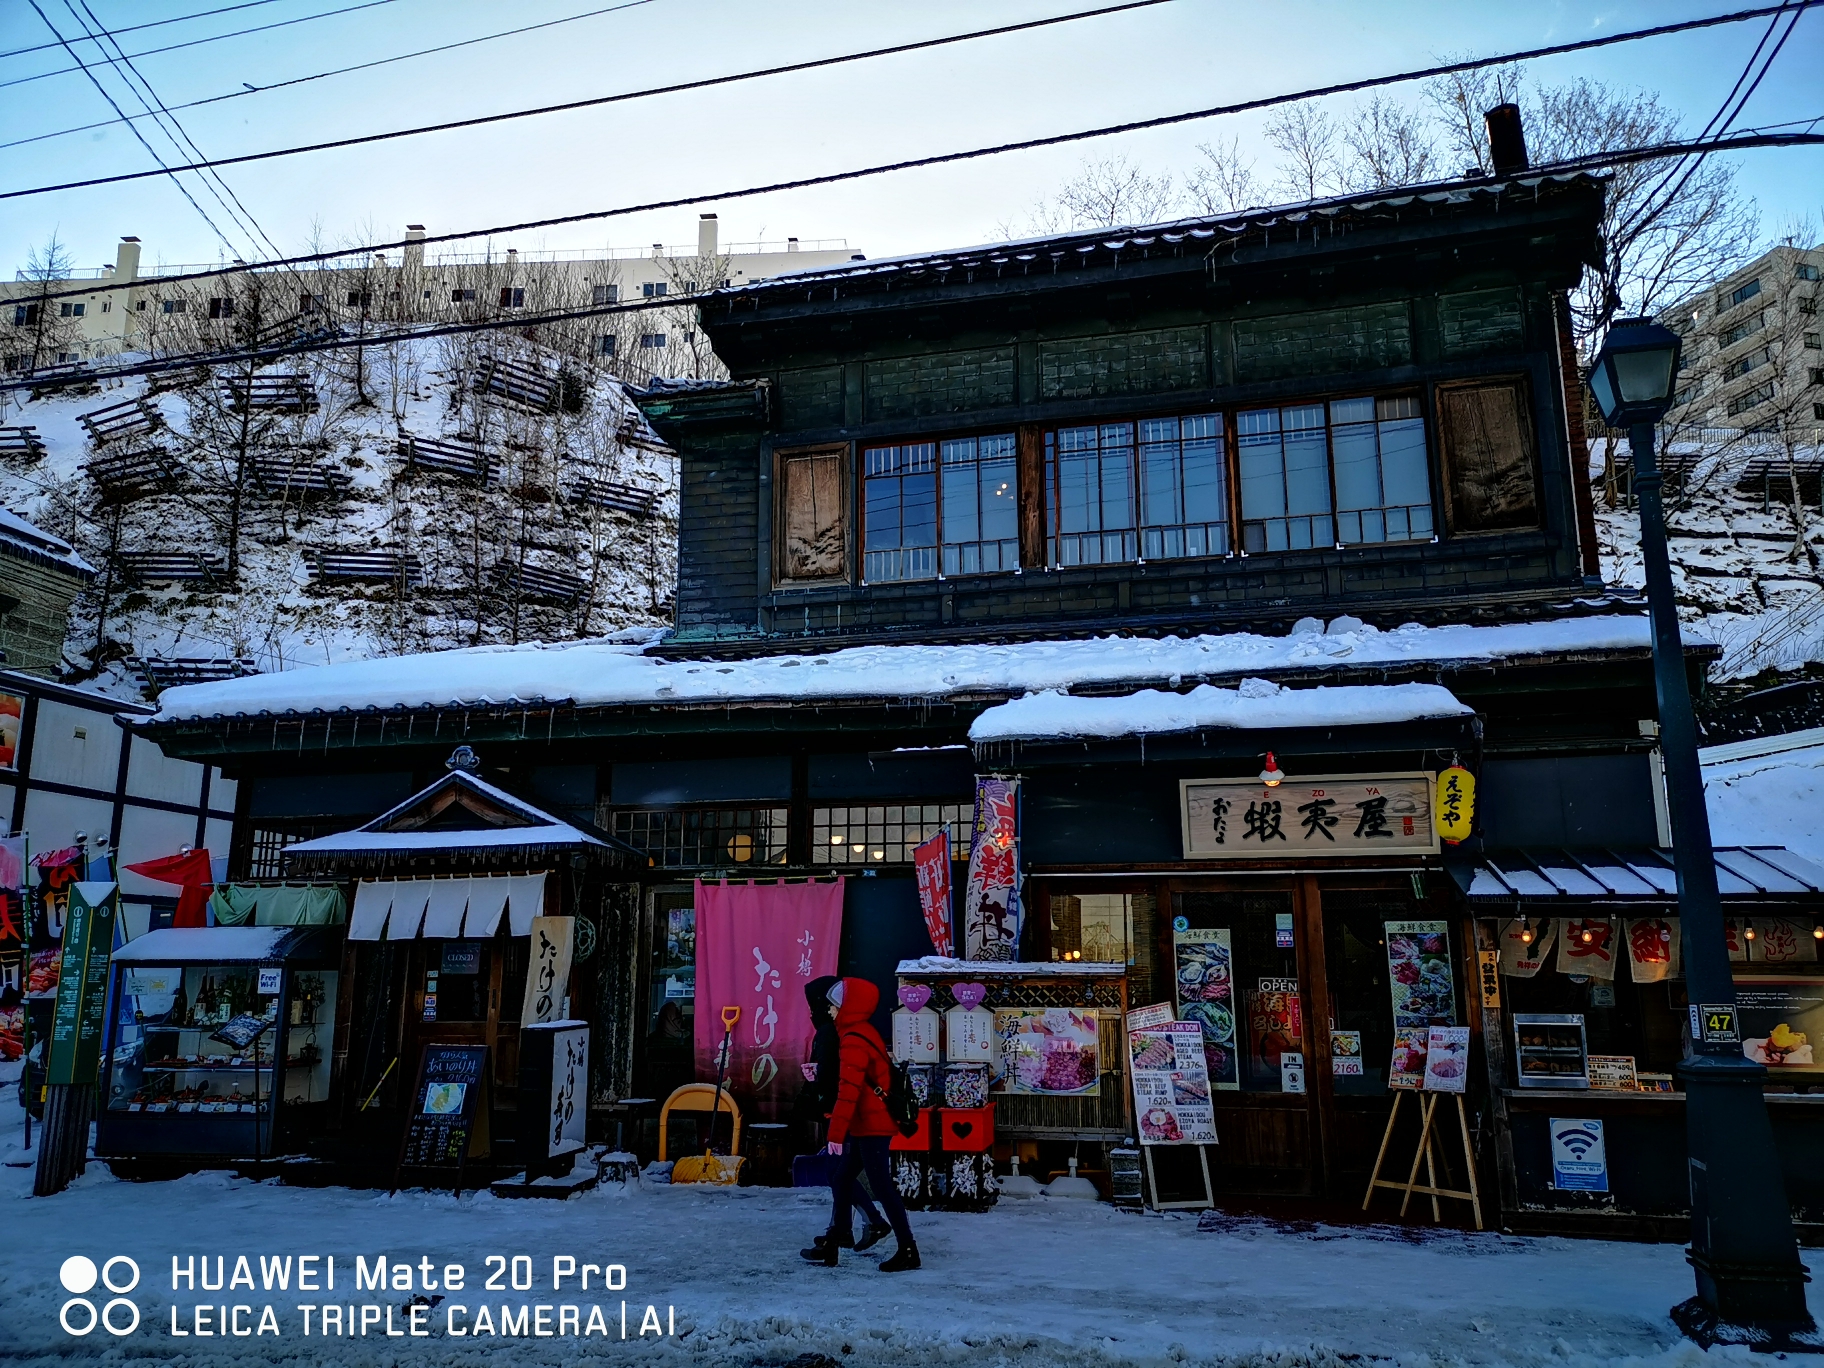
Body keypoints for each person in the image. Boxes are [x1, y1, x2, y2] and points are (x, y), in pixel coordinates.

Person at [801, 977, 919, 1271]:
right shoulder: (861, 1032)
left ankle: (908, 1249)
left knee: (881, 1186)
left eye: (833, 1005)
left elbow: (848, 1091)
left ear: (847, 1007)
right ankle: (836, 1238)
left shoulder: (852, 1040)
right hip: (867, 1122)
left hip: (872, 1124)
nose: (828, 1011)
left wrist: (835, 1135)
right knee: (841, 1178)